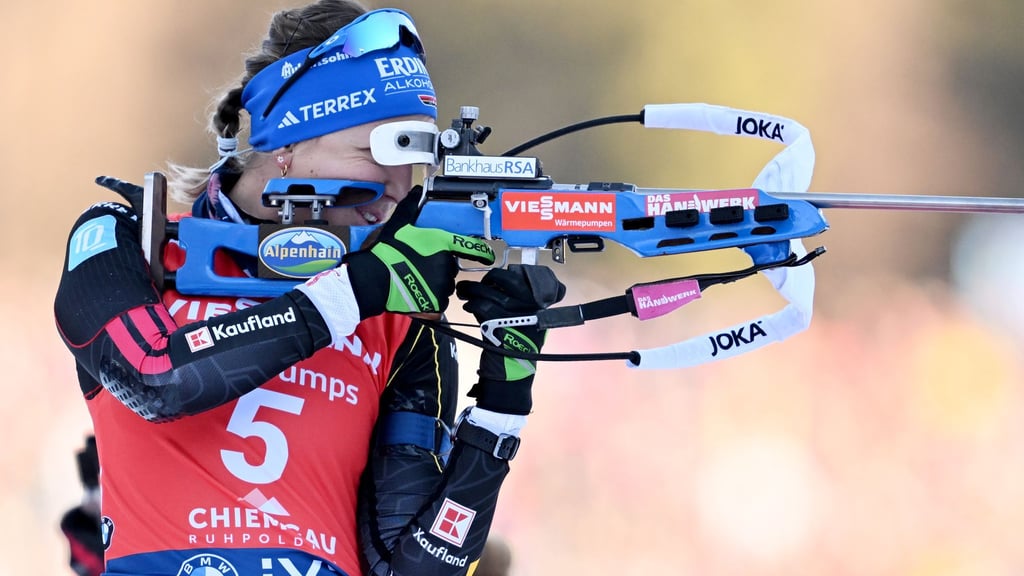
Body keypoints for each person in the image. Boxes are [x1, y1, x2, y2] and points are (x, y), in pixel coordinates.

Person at [53, 2, 564, 575]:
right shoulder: (130, 240)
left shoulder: (397, 316)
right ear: (288, 143)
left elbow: (412, 568)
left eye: (417, 154)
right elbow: (157, 377)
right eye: (383, 149)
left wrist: (502, 409)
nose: (401, 186)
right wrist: (355, 291)